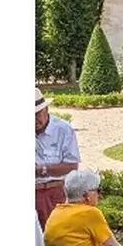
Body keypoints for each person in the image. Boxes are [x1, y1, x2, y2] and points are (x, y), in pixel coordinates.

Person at [35, 90, 80, 228]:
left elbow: (72, 165)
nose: (34, 120)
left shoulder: (63, 129)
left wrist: (42, 170)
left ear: (46, 109)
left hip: (54, 193)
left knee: (56, 238)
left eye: (37, 114)